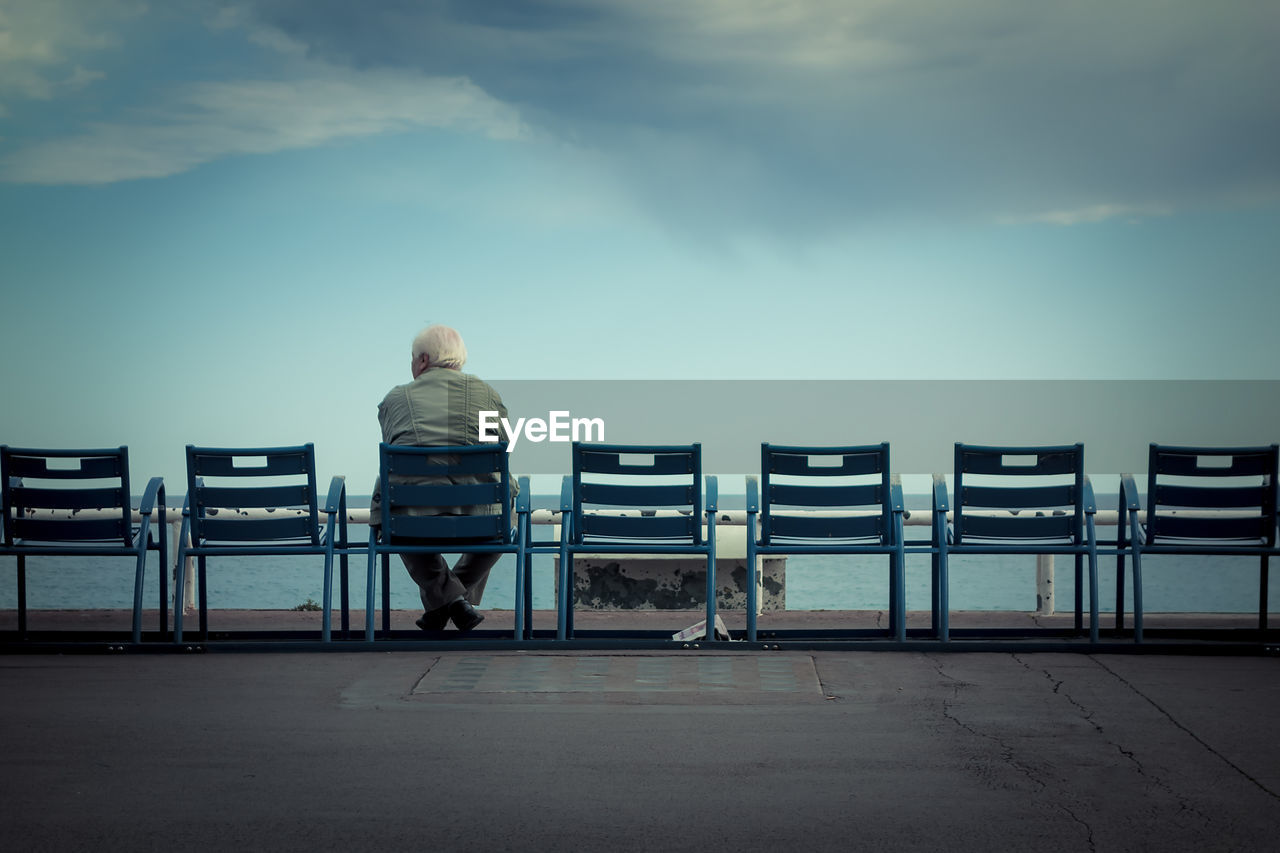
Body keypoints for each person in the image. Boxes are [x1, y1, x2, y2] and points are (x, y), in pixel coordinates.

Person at [371, 324, 514, 632]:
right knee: (505, 510)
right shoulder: (487, 394)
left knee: (396, 512)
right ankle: (457, 601)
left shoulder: (394, 399)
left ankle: (447, 601)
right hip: (479, 519)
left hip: (411, 521)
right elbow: (500, 449)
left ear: (422, 360)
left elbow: (395, 454)